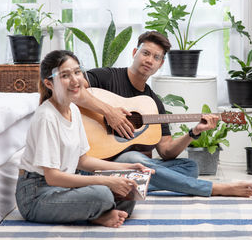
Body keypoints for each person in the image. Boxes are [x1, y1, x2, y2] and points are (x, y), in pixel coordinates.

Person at [77, 31, 252, 198]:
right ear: (134, 52)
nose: (149, 60)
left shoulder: (153, 103)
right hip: (95, 162)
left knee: (190, 167)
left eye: (156, 57)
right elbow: (75, 90)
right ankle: (212, 188)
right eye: (145, 53)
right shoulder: (108, 76)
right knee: (133, 158)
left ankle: (126, 183)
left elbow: (166, 151)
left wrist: (194, 132)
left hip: (127, 166)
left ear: (161, 64)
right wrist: (109, 112)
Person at [15, 50, 153, 228]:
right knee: (102, 194)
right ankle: (96, 214)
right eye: (65, 75)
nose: (75, 80)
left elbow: (83, 160)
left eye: (77, 72)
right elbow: (52, 178)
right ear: (49, 83)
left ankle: (97, 213)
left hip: (64, 187)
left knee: (127, 192)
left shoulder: (73, 109)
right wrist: (105, 180)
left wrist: (127, 168)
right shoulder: (46, 117)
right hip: (37, 195)